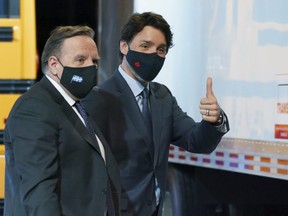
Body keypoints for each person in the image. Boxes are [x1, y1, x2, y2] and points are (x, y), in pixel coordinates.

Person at [82, 12, 229, 216]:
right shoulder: (99, 99)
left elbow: (196, 141)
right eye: (145, 46)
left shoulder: (163, 97)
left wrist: (215, 120)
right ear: (124, 47)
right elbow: (86, 170)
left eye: (161, 50)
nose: (153, 55)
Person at [4, 25, 120, 216]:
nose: (90, 66)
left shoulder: (76, 107)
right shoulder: (35, 108)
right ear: (54, 64)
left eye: (94, 61)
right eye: (80, 59)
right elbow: (39, 192)